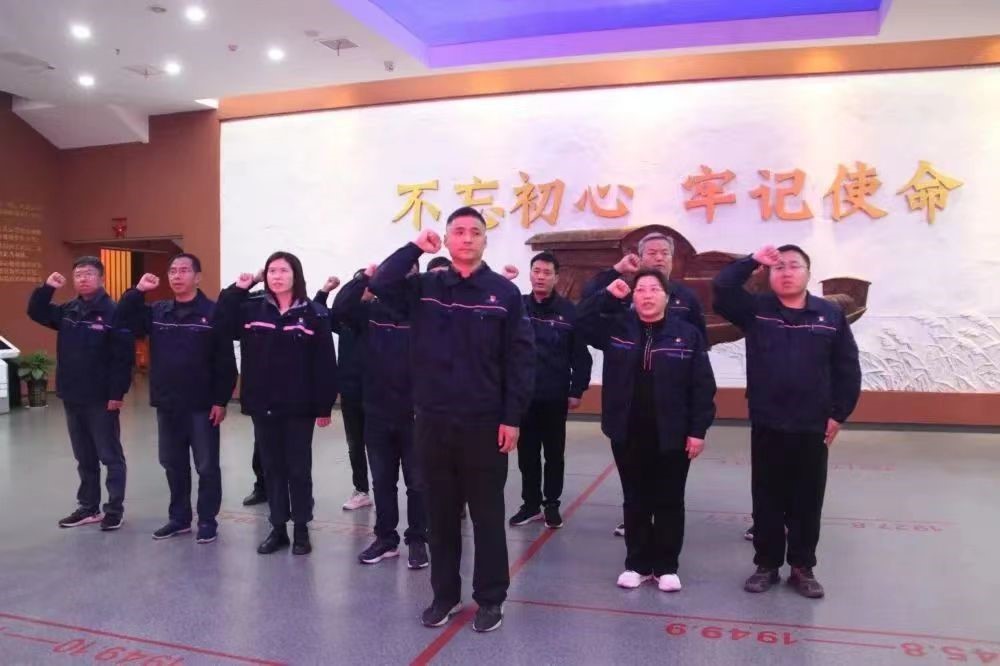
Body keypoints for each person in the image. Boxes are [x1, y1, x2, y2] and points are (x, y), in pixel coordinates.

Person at [370, 207, 535, 633]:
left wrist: (512, 417)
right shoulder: (425, 288)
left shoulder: (503, 293)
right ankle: (444, 596)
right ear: (446, 239)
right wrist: (413, 248)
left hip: (484, 423)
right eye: (458, 231)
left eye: (474, 232)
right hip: (433, 422)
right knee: (440, 515)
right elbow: (380, 284)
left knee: (486, 516)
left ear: (485, 241)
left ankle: (491, 598)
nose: (466, 238)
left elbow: (519, 360)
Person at [713, 244, 861, 599]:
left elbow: (847, 367)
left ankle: (802, 567)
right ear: (770, 275)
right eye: (778, 267)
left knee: (807, 499)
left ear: (808, 273)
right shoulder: (756, 309)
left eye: (794, 266)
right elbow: (722, 288)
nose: (786, 272)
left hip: (813, 424)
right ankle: (766, 565)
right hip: (768, 420)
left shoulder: (829, 314)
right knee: (767, 497)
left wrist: (839, 414)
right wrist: (752, 262)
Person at [578, 270, 716, 591]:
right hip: (627, 430)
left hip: (673, 432)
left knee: (670, 499)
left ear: (667, 297)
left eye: (655, 289)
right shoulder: (616, 328)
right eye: (640, 289)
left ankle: (666, 565)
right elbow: (580, 321)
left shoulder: (687, 334)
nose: (647, 295)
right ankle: (637, 564)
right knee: (635, 498)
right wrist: (606, 295)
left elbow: (702, 386)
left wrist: (698, 430)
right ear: (633, 296)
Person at [582, 231, 707, 537]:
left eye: (665, 252)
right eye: (652, 252)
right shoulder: (623, 297)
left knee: (669, 494)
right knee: (634, 491)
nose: (659, 257)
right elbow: (584, 313)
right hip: (628, 411)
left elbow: (700, 366)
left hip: (671, 414)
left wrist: (697, 426)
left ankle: (666, 553)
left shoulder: (687, 302)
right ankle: (636, 537)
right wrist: (614, 276)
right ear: (638, 258)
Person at [215, 251, 338, 556]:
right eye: (272, 271)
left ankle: (301, 530)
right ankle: (278, 528)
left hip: (300, 406)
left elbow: (325, 363)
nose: (277, 276)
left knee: (298, 469)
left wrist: (324, 406)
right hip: (263, 403)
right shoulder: (251, 308)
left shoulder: (314, 314)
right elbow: (220, 321)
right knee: (272, 469)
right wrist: (241, 286)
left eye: (283, 270)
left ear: (296, 275)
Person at [115, 254, 237, 544]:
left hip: (202, 404)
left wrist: (220, 401)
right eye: (172, 271)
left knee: (206, 466)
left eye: (184, 271)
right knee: (172, 462)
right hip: (168, 402)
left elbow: (225, 361)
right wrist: (137, 291)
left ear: (197, 277)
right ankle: (179, 518)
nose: (177, 276)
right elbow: (121, 319)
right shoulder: (158, 311)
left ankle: (207, 520)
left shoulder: (213, 312)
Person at [332, 264, 429, 569]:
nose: (403, 278)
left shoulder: (426, 313)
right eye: (397, 271)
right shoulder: (370, 312)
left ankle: (418, 539)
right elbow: (340, 310)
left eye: (410, 271)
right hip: (377, 412)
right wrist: (363, 278)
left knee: (417, 482)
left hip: (416, 415)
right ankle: (386, 539)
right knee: (383, 482)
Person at [27, 256, 133, 531]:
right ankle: (88, 507)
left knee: (109, 455)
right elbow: (36, 312)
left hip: (101, 397)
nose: (83, 278)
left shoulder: (114, 312)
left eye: (89, 273)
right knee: (84, 456)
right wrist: (48, 287)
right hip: (72, 394)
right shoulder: (68, 310)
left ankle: (114, 510)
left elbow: (123, 358)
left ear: (101, 278)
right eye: (78, 275)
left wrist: (117, 393)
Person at [509, 252, 592, 530]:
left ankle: (552, 504)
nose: (541, 277)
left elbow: (581, 356)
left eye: (547, 273)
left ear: (557, 278)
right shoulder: (518, 307)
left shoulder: (569, 312)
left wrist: (577, 389)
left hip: (555, 396)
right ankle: (530, 504)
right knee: (527, 454)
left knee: (554, 454)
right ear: (530, 274)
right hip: (524, 396)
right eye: (536, 271)